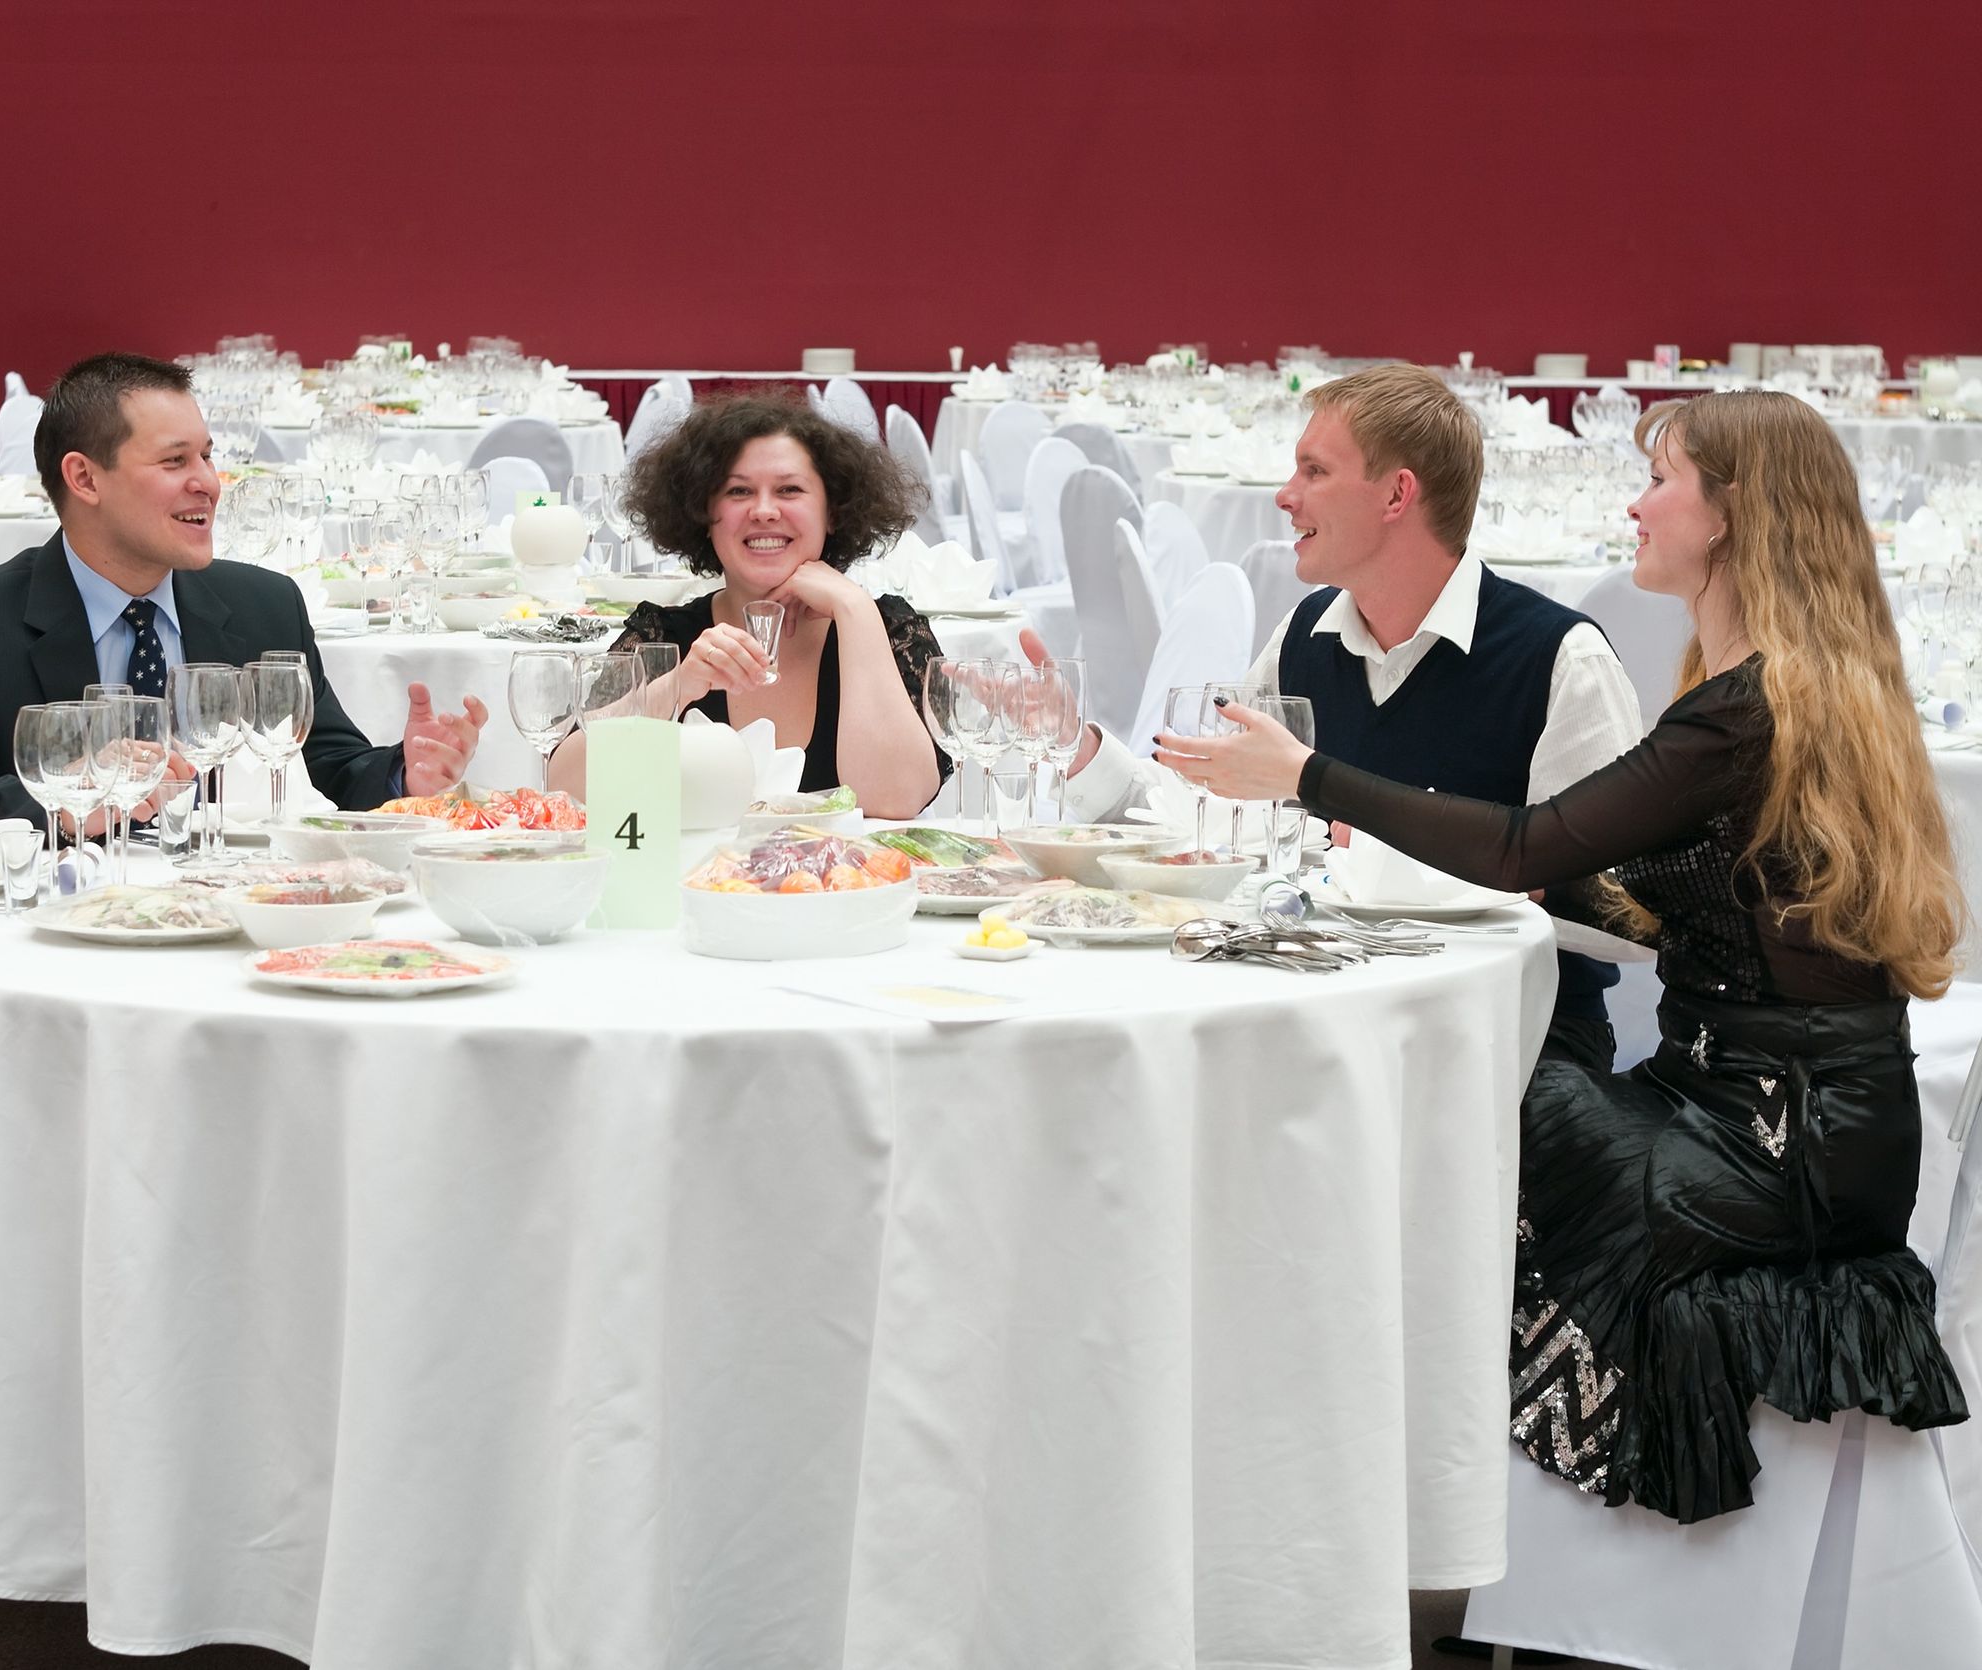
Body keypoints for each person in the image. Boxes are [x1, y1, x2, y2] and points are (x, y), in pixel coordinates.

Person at [1157, 390, 1968, 1523]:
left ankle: (1363, 1495)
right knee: (1449, 1108)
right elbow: (1660, 903)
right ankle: (1381, 1489)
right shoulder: (1788, 689)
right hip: (1789, 1113)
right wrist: (1497, 868)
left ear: (1728, 514)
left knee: (1451, 1113)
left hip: (1775, 1145)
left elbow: (1528, 841)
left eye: (1659, 481)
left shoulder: (1746, 712)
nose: (1633, 507)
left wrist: (1310, 777)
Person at [1045, 364, 1645, 1069]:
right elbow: (1200, 818)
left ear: (1397, 493)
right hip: (1320, 1011)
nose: (1284, 495)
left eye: (1314, 471)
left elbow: (1626, 916)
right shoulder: (1305, 638)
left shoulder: (1558, 660)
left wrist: (1455, 869)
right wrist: (1078, 746)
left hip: (1505, 1040)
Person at [0, 352, 485, 826]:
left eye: (207, 456)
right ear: (84, 478)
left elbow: (327, 766)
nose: (208, 482)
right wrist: (77, 799)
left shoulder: (263, 606)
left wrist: (405, 774)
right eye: (174, 460)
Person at [547, 392, 946, 817]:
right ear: (704, 514)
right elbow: (566, 788)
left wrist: (853, 607)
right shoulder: (661, 638)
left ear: (833, 511)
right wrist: (679, 686)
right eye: (738, 491)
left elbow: (894, 801)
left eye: (789, 489)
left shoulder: (889, 632)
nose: (764, 511)